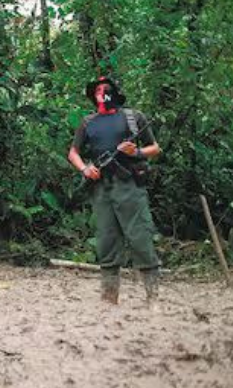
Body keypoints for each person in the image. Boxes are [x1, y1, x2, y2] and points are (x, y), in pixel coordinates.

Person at [67, 76, 162, 305]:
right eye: (97, 90)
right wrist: (85, 169)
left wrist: (135, 152)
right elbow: (73, 153)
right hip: (101, 188)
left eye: (105, 89)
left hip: (129, 185)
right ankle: (109, 299)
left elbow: (155, 148)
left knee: (140, 237)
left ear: (115, 93)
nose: (102, 93)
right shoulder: (88, 122)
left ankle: (153, 298)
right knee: (107, 240)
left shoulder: (133, 117)